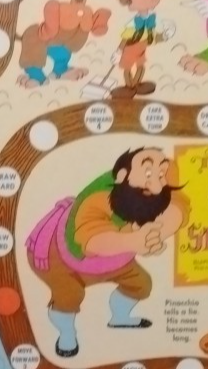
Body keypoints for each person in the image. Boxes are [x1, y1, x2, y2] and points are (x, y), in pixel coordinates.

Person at [25, 146, 186, 357]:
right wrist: (135, 240)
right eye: (147, 171)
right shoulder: (98, 199)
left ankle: (120, 317)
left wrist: (156, 234)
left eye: (161, 174)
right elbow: (90, 241)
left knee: (141, 284)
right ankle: (66, 334)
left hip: (115, 260)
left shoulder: (154, 195)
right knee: (69, 296)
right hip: (60, 258)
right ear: (123, 176)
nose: (155, 182)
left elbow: (178, 206)